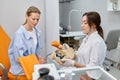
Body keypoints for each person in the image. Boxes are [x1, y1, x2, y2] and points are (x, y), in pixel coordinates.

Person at [61, 11, 106, 80]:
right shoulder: (86, 39)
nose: (82, 25)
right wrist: (70, 52)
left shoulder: (97, 42)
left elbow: (93, 67)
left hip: (91, 76)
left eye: (85, 23)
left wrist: (73, 63)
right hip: (82, 71)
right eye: (82, 22)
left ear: (94, 25)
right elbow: (79, 56)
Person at [8, 6, 46, 75]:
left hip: (32, 64)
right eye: (33, 19)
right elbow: (19, 59)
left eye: (37, 19)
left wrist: (39, 57)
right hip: (21, 68)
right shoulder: (19, 34)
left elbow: (35, 52)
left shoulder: (36, 31)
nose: (35, 22)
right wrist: (36, 62)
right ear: (26, 16)